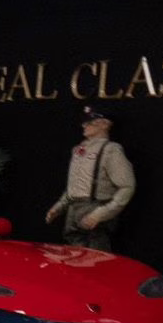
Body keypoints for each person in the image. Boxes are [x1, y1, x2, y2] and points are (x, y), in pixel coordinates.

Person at [45, 106, 134, 250]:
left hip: (94, 209)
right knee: (73, 253)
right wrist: (59, 206)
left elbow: (127, 186)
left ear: (105, 124)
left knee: (95, 257)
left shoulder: (111, 150)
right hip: (73, 212)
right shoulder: (79, 150)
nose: (84, 125)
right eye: (85, 122)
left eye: (90, 122)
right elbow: (74, 186)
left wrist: (102, 213)